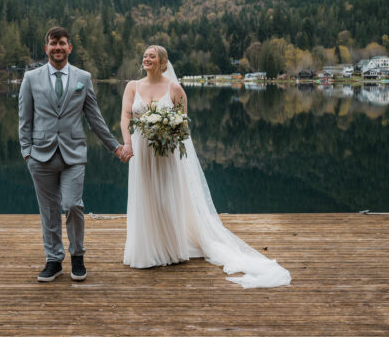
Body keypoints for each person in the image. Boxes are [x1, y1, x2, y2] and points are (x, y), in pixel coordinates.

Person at [119, 45, 291, 288]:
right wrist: (127, 143)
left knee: (166, 197)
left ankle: (169, 249)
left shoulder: (175, 89)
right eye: (145, 55)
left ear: (163, 62)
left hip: (165, 153)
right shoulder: (132, 87)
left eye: (152, 56)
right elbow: (126, 116)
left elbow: (183, 126)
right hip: (141, 151)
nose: (146, 58)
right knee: (144, 196)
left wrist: (166, 132)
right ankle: (145, 249)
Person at [18, 26, 130, 282]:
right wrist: (27, 153)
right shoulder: (31, 78)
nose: (58, 47)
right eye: (53, 43)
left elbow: (95, 119)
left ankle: (77, 255)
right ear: (46, 47)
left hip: (74, 154)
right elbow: (24, 119)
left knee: (72, 205)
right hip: (40, 155)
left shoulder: (83, 77)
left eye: (62, 43)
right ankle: (54, 260)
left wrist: (115, 147)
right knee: (48, 209)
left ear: (70, 47)